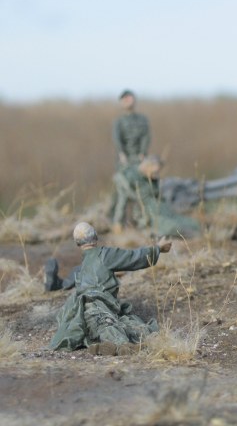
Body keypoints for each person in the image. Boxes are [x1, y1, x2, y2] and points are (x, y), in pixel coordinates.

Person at [49, 222, 172, 355]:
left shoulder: (81, 267)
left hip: (84, 314)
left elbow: (66, 284)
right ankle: (122, 346)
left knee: (111, 325)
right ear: (95, 237)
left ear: (77, 243)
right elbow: (133, 257)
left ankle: (105, 346)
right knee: (111, 325)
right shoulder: (105, 254)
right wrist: (157, 248)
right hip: (99, 308)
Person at [111, 90, 151, 231]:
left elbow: (146, 137)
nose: (128, 101)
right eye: (125, 99)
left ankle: (140, 221)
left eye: (130, 98)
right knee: (123, 191)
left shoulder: (142, 120)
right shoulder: (119, 122)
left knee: (141, 191)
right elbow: (117, 140)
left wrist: (142, 153)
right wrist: (122, 154)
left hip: (139, 160)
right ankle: (118, 222)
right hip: (125, 162)